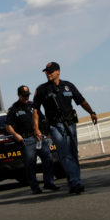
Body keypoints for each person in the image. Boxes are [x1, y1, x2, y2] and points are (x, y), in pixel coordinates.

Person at [33, 62, 98, 194]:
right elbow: (35, 110)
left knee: (73, 153)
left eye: (51, 71)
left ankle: (74, 181)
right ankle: (75, 182)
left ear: (58, 72)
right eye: (46, 72)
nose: (48, 74)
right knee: (64, 154)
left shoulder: (68, 86)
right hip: (55, 126)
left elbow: (81, 101)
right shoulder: (42, 89)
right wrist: (36, 128)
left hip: (70, 124)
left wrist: (91, 112)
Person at [6, 85, 60, 194]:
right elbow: (8, 126)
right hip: (26, 140)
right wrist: (16, 135)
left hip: (39, 137)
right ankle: (35, 187)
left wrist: (46, 133)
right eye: (24, 96)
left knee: (48, 159)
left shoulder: (33, 105)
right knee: (30, 164)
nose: (26, 97)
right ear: (19, 95)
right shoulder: (14, 109)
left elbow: (43, 119)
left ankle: (49, 182)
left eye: (27, 95)